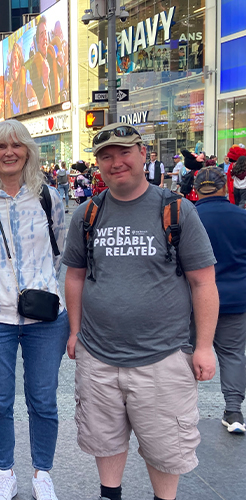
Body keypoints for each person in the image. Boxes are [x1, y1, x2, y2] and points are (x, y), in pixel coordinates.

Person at [62, 123, 218, 500]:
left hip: (163, 357)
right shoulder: (87, 214)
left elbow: (203, 282)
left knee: (167, 449)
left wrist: (205, 346)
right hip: (98, 357)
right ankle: (109, 495)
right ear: (97, 164)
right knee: (104, 438)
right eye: (106, 156)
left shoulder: (177, 210)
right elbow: (76, 276)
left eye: (124, 153)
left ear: (143, 154)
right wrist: (74, 331)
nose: (116, 163)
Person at [0, 120, 69, 500]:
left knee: (43, 399)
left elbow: (58, 249)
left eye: (17, 145)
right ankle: (4, 471)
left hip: (47, 318)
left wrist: (40, 287)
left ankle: (43, 473)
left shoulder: (48, 198)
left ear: (27, 150)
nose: (9, 152)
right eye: (0, 146)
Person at [193, 167, 246, 434]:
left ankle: (182, 409)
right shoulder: (242, 217)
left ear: (196, 189)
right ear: (225, 187)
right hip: (234, 298)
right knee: (233, 353)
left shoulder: (189, 217)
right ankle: (234, 411)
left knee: (185, 352)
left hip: (194, 300)